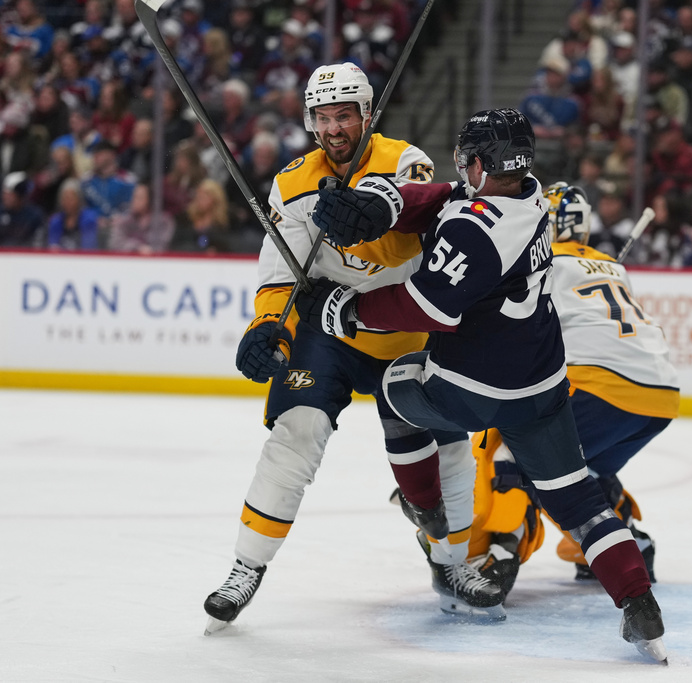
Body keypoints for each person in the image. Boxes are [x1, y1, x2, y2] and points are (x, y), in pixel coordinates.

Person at [299, 109, 668, 662]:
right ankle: (640, 606)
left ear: (478, 162)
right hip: (542, 389)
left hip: (475, 386)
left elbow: (424, 305)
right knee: (580, 502)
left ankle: (427, 507)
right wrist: (386, 204)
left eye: (465, 159)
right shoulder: (531, 198)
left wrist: (343, 309)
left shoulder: (478, 230)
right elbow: (445, 197)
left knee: (395, 382)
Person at [200, 63, 487, 636]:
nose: (335, 128)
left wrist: (370, 218)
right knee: (296, 432)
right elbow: (282, 267)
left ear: (367, 115)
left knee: (449, 446)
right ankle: (246, 567)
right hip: (331, 328)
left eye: (345, 115)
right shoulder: (294, 182)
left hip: (405, 329)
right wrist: (268, 325)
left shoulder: (404, 160)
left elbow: (420, 233)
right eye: (324, 117)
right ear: (312, 122)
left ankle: (453, 564)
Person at [461, 182, 679, 595]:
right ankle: (631, 543)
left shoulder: (538, 261)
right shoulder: (614, 266)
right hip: (661, 394)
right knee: (579, 472)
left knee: (515, 452)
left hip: (602, 383)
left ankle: (501, 553)